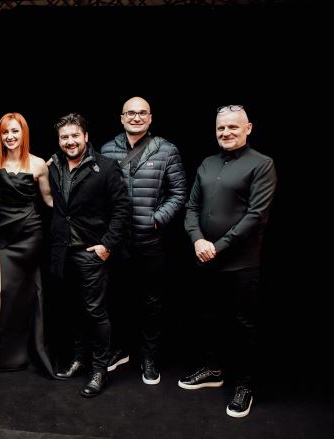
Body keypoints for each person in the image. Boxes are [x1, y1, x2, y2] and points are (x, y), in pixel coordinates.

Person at [180, 105, 277, 418]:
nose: (226, 133)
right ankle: (213, 370)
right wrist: (197, 239)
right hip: (205, 257)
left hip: (240, 262)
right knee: (208, 317)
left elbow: (256, 216)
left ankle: (245, 386)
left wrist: (217, 247)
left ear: (248, 128)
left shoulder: (262, 164)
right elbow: (191, 207)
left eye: (233, 127)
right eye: (221, 128)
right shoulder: (207, 163)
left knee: (243, 325)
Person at [100, 97, 187, 384]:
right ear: (121, 118)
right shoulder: (107, 149)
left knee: (151, 301)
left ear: (150, 118)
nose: (136, 117)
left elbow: (179, 193)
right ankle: (120, 349)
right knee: (117, 297)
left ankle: (148, 356)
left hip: (151, 240)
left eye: (142, 113)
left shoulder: (166, 149)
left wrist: (156, 219)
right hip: (118, 241)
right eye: (130, 113)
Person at [48, 113, 130, 397]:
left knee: (95, 312)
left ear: (85, 136)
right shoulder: (54, 165)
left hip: (91, 251)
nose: (70, 141)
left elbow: (122, 209)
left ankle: (99, 369)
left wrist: (107, 245)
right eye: (64, 137)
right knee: (73, 308)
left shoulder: (106, 167)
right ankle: (80, 359)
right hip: (63, 251)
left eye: (75, 135)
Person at [0, 112, 53, 374]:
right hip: (5, 233)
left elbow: (48, 200)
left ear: (23, 133)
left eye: (15, 131)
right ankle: (6, 352)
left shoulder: (39, 164)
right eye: (5, 132)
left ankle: (30, 349)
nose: (10, 136)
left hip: (30, 232)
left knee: (29, 293)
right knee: (3, 292)